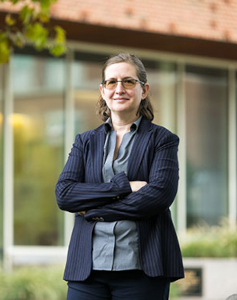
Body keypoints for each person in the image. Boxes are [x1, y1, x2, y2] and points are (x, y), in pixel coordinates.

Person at [55, 53, 184, 300]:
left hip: (142, 269)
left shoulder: (162, 140)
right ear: (103, 91)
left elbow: (157, 197)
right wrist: (123, 185)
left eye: (128, 81)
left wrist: (94, 212)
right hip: (87, 271)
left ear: (144, 90)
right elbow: (65, 195)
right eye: (112, 82)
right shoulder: (85, 141)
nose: (119, 89)